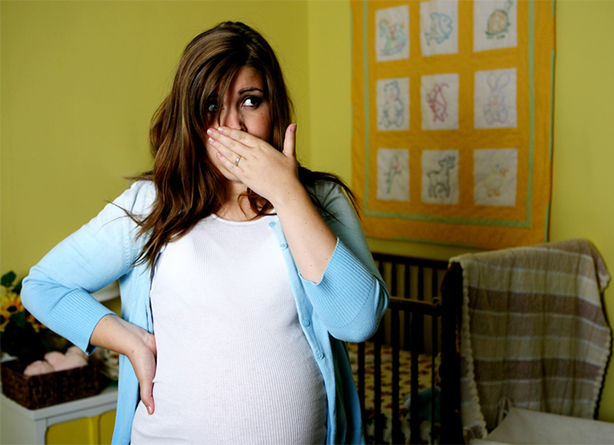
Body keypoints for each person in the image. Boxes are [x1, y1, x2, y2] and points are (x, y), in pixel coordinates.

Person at [22, 21, 389, 444]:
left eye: (250, 101)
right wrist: (132, 342)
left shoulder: (318, 199)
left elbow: (359, 322)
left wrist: (287, 194)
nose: (232, 125)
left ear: (275, 111)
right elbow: (43, 285)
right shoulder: (152, 203)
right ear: (188, 116)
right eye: (211, 106)